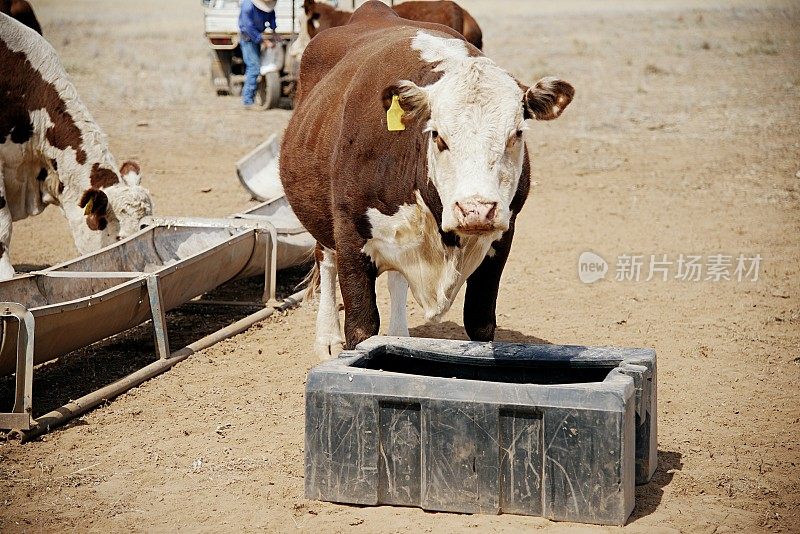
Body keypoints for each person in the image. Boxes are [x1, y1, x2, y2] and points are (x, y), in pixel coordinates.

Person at [238, 0, 278, 109]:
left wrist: (274, 31)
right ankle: (248, 101)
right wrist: (264, 41)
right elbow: (248, 27)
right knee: (254, 67)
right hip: (247, 39)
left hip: (257, 37)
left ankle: (253, 97)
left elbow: (271, 15)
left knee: (257, 66)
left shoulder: (267, 6)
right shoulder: (247, 6)